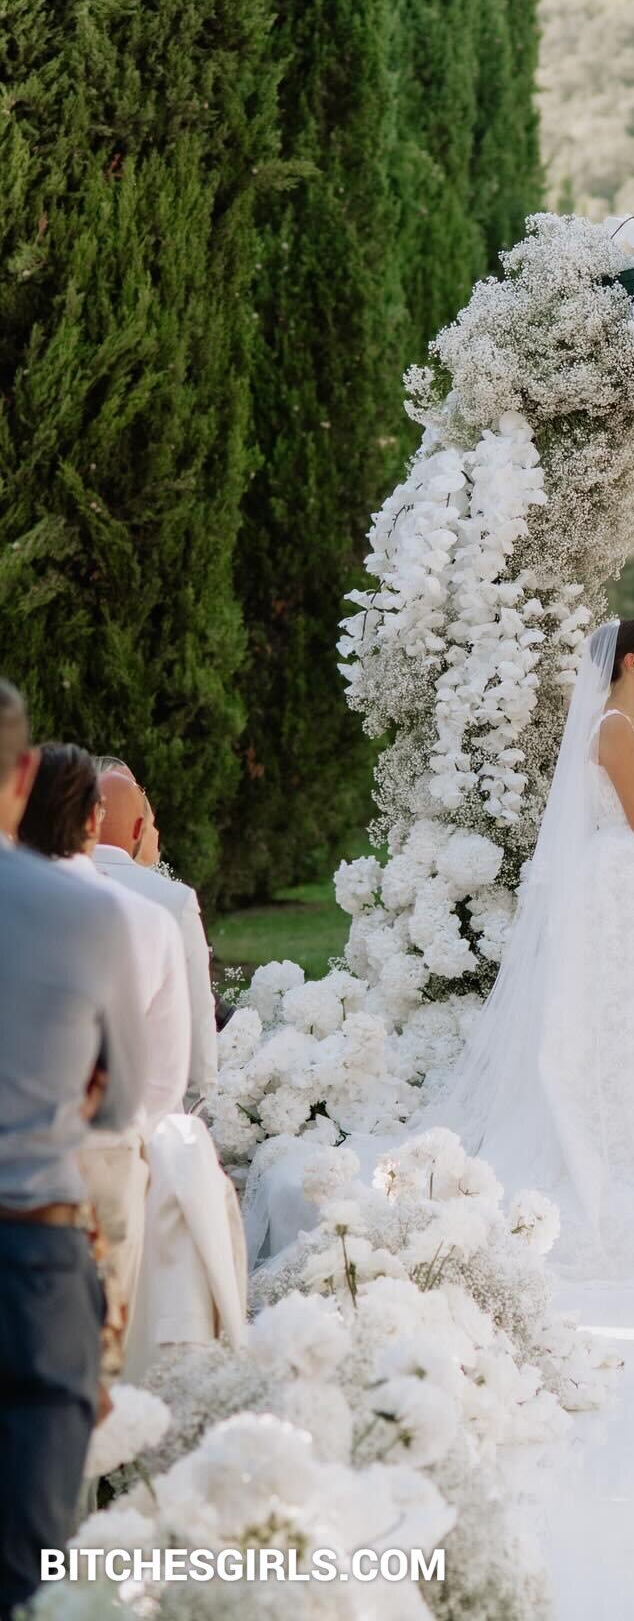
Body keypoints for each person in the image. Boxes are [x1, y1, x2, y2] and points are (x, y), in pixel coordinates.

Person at [250, 621, 634, 1282]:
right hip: (618, 874)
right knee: (618, 1005)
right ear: (632, 661)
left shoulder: (631, 725)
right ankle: (618, 1134)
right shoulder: (612, 728)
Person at [0, 683, 146, 1616]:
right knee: (28, 1565)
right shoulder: (87, 914)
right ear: (22, 773)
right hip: (32, 1254)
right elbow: (122, 1100)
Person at [19, 746, 191, 1345]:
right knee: (97, 1340)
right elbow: (167, 1072)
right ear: (95, 820)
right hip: (106, 1150)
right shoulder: (146, 919)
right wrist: (125, 1134)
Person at [95, 765, 217, 1107]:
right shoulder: (173, 900)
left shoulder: (38, 889)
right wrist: (194, 1102)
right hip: (149, 1109)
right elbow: (196, 1014)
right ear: (138, 828)